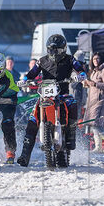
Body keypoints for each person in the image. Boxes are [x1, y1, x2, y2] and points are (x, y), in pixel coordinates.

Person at [16, 34, 86, 166]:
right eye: (51, 50)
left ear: (63, 49)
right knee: (33, 118)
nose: (54, 53)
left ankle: (70, 137)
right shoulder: (42, 61)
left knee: (72, 104)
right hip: (45, 94)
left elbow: (80, 70)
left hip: (63, 93)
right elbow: (32, 73)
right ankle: (25, 155)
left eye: (56, 50)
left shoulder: (70, 59)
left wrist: (80, 76)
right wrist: (25, 80)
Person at [83, 52, 104, 153]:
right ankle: (98, 147)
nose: (95, 61)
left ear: (101, 60)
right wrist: (87, 84)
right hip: (93, 100)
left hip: (100, 100)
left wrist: (94, 84)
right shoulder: (95, 71)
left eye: (97, 59)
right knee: (93, 123)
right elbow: (94, 84)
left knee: (97, 123)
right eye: (94, 59)